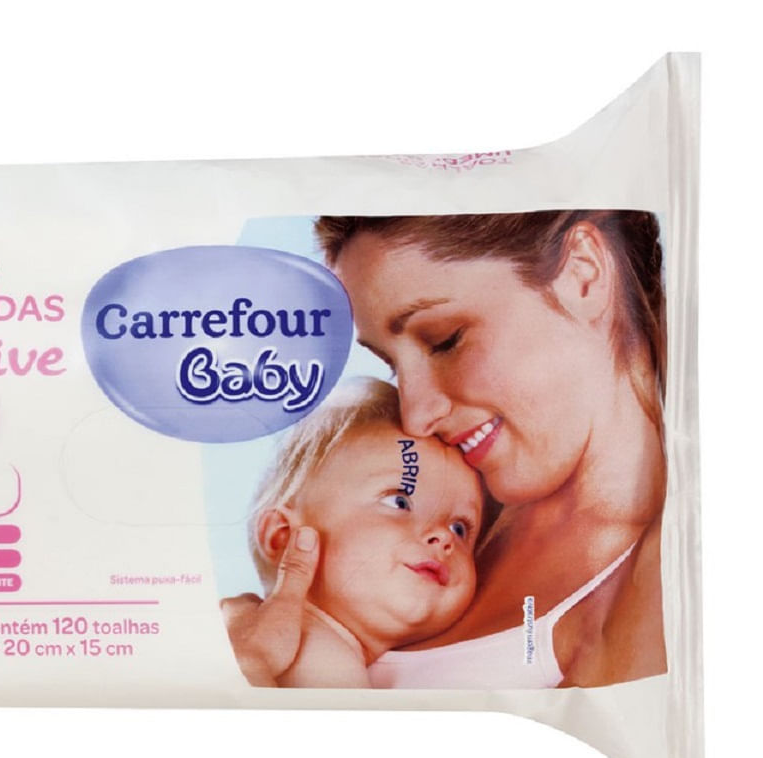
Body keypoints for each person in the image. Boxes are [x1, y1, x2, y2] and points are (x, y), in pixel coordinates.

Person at [226, 211, 666, 689]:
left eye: (444, 341)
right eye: (392, 366)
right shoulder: (456, 487)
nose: (416, 416)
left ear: (583, 272)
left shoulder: (666, 570)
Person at [248, 378, 483, 687]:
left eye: (460, 527)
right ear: (284, 537)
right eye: (399, 502)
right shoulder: (320, 653)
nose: (443, 536)